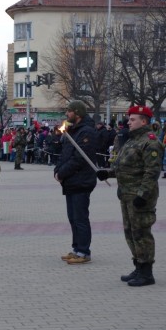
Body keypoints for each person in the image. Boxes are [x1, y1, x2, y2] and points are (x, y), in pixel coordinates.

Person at [97, 105, 164, 286]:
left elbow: (152, 172)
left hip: (140, 196)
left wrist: (142, 195)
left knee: (141, 232)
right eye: (129, 119)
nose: (129, 122)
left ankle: (147, 272)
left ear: (144, 121)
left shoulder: (150, 142)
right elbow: (124, 166)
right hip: (126, 194)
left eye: (133, 119)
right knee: (130, 232)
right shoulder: (131, 140)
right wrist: (108, 173)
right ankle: (138, 266)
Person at [54, 101, 98, 265]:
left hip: (81, 180)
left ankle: (84, 251)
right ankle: (76, 248)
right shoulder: (71, 130)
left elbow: (79, 159)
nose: (67, 114)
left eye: (69, 111)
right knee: (73, 217)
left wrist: (62, 172)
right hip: (71, 181)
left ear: (77, 113)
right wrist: (57, 170)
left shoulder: (86, 132)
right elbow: (64, 154)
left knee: (80, 218)